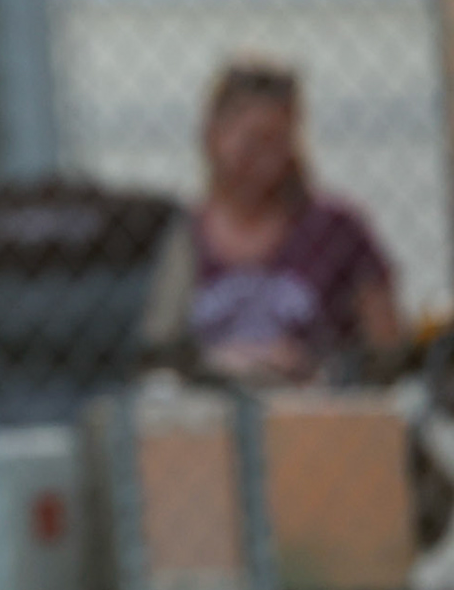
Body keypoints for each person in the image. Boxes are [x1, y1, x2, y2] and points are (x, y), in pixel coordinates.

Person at [139, 55, 404, 384]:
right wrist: (216, 364)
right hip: (208, 415)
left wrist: (320, 367)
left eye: (279, 142)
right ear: (213, 136)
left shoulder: (336, 230)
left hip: (313, 408)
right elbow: (152, 352)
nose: (267, 161)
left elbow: (388, 344)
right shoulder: (178, 238)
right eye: (252, 142)